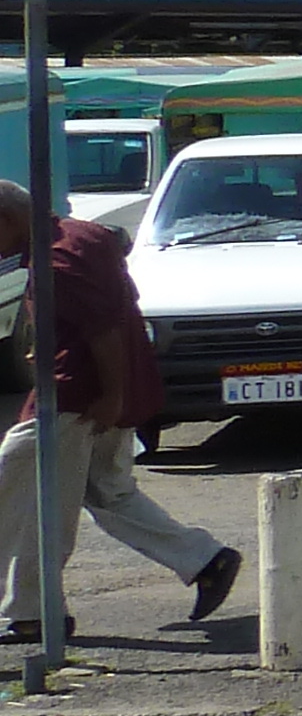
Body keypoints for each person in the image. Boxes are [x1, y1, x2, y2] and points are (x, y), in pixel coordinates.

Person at [0, 180, 239, 646]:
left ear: (6, 220)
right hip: (102, 388)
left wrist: (110, 393)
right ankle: (206, 560)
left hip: (75, 397)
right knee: (107, 491)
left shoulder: (57, 257)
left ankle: (34, 613)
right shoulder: (80, 234)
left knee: (20, 489)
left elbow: (103, 327)